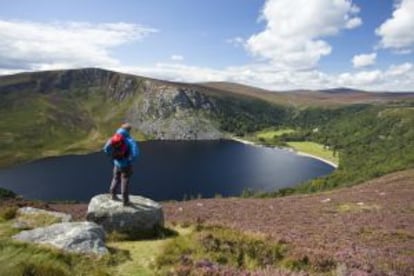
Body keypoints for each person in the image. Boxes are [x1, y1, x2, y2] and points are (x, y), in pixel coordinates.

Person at [103, 123, 139, 206]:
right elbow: (135, 154)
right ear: (129, 130)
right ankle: (125, 201)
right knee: (125, 181)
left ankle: (113, 194)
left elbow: (105, 149)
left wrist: (114, 156)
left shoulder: (114, 137)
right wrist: (129, 161)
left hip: (116, 164)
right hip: (126, 165)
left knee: (115, 178)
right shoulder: (129, 140)